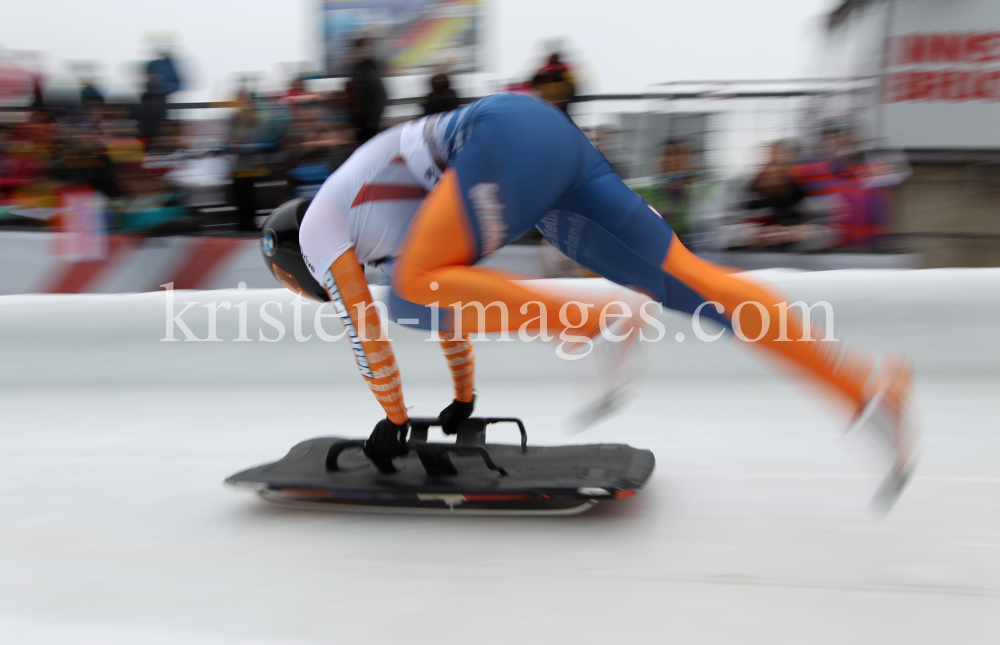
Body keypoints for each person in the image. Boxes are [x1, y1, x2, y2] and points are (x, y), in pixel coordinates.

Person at [262, 93, 918, 506]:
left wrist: (396, 419)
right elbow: (449, 306)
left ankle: (598, 323)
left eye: (292, 281)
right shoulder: (381, 231)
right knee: (693, 285)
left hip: (504, 136)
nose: (303, 286)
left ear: (293, 256)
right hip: (548, 147)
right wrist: (463, 399)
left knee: (407, 294)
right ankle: (864, 385)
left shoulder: (323, 226)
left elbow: (366, 334)